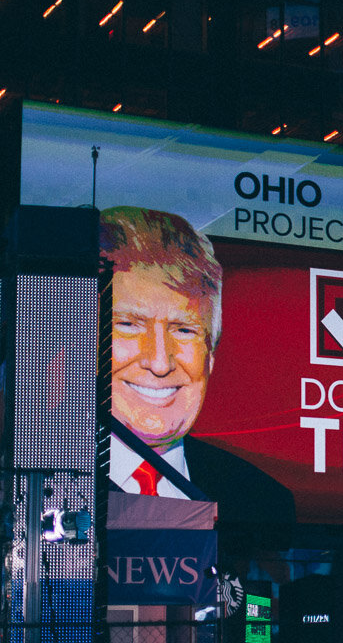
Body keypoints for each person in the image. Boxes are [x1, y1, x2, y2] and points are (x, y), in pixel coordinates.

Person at [99, 206, 295, 541]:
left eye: (184, 330)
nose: (160, 363)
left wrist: (250, 598)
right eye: (129, 325)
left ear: (211, 357)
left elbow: (257, 594)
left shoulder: (261, 502)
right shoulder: (43, 489)